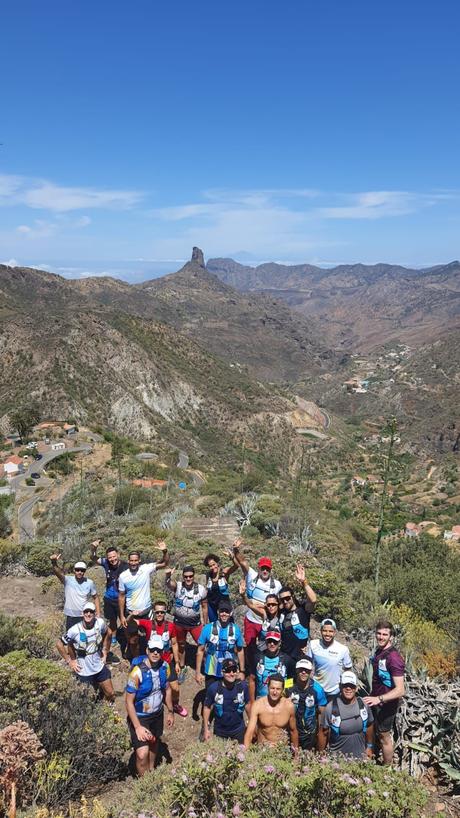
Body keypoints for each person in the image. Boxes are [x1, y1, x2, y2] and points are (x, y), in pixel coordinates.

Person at [126, 600, 188, 717]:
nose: (160, 614)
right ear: (153, 612)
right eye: (157, 612)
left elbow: (174, 644)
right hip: (151, 661)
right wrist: (131, 614)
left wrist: (177, 663)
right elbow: (130, 623)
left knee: (175, 688)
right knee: (148, 686)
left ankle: (174, 704)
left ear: (165, 613)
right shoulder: (148, 623)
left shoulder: (170, 626)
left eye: (162, 612)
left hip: (166, 662)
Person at [125, 633, 175, 776]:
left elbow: (167, 689)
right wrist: (137, 727)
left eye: (158, 650)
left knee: (154, 742)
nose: (155, 653)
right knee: (142, 754)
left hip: (157, 714)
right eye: (152, 649)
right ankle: (144, 783)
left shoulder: (165, 667)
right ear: (147, 650)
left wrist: (170, 711)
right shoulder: (137, 672)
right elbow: (128, 701)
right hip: (140, 717)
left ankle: (151, 772)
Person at [363, 619, 405, 765]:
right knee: (374, 731)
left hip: (386, 703)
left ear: (391, 637)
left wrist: (379, 699)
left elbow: (400, 690)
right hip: (376, 699)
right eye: (378, 633)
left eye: (384, 634)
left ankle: (388, 769)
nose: (381, 637)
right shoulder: (380, 652)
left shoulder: (393, 658)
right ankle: (372, 758)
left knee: (384, 736)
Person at [56, 601, 114, 702]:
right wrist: (70, 661)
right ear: (82, 614)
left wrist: (105, 651)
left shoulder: (100, 623)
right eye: (86, 612)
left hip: (98, 665)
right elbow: (59, 644)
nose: (88, 614)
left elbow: (108, 633)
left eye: (91, 612)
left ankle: (108, 709)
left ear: (95, 613)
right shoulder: (74, 630)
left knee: (110, 693)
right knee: (88, 699)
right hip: (84, 670)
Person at [232, 540, 282, 658]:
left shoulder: (277, 585)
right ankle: (251, 670)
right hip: (251, 619)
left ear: (270, 570)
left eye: (267, 569)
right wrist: (236, 550)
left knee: (266, 647)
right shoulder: (252, 576)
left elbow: (280, 604)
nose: (265, 571)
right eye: (263, 568)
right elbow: (243, 561)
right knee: (250, 646)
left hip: (267, 622)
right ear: (258, 568)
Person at [166, 565, 207, 682]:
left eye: (190, 576)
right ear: (183, 577)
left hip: (195, 623)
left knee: (202, 644)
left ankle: (206, 668)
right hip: (179, 622)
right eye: (186, 577)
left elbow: (204, 606)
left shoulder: (201, 589)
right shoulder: (178, 586)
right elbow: (169, 584)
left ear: (194, 576)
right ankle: (182, 666)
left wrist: (206, 623)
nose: (188, 579)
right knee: (181, 645)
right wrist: (168, 575)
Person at [320, 671, 374, 759]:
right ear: (340, 687)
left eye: (352, 686)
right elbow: (323, 733)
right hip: (337, 760)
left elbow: (369, 725)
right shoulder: (330, 708)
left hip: (361, 758)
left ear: (356, 688)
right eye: (345, 685)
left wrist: (369, 746)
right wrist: (321, 755)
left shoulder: (363, 705)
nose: (348, 688)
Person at [244, 674, 299, 752]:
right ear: (268, 688)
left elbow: (293, 731)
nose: (275, 692)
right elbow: (249, 732)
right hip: (263, 750)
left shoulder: (289, 706)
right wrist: (245, 753)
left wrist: (296, 755)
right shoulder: (258, 705)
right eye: (272, 688)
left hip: (282, 751)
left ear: (282, 689)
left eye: (278, 689)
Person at [195, 599, 245, 687]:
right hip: (211, 670)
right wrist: (198, 672)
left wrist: (242, 671)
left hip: (230, 671)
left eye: (227, 611)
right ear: (218, 612)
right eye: (222, 611)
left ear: (231, 613)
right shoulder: (208, 628)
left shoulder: (236, 629)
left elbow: (240, 651)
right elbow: (200, 650)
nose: (224, 614)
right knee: (211, 695)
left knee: (228, 697)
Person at [118, 544, 169, 627]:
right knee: (132, 639)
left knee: (149, 636)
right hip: (131, 612)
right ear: (128, 561)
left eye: (135, 560)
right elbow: (121, 596)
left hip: (146, 611)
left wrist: (165, 551)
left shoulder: (145, 569)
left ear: (139, 560)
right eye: (131, 560)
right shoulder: (123, 576)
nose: (133, 563)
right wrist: (122, 615)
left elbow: (164, 563)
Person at [202, 657, 250, 744]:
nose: (231, 673)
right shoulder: (214, 688)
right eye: (228, 670)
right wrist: (206, 729)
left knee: (241, 755)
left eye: (234, 670)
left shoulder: (243, 686)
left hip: (239, 730)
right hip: (220, 731)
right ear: (222, 672)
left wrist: (251, 725)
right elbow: (207, 708)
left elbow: (247, 705)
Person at [50, 554, 100, 629]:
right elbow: (57, 572)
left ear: (85, 571)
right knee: (71, 638)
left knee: (84, 638)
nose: (80, 572)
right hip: (71, 616)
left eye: (82, 570)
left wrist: (98, 613)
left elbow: (96, 597)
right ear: (74, 570)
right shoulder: (68, 580)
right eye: (77, 570)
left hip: (84, 615)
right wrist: (54, 562)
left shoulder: (89, 583)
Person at [307, 618, 353, 700]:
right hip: (317, 688)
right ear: (321, 631)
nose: (327, 634)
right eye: (325, 630)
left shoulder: (343, 649)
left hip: (334, 691)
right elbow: (308, 665)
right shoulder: (313, 644)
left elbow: (348, 670)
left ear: (335, 632)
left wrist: (344, 687)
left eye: (331, 631)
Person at [287, 658, 327, 750]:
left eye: (306, 670)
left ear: (310, 671)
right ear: (296, 670)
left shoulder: (318, 689)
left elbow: (322, 712)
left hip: (309, 732)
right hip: (291, 730)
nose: (303, 672)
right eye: (301, 669)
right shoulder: (287, 684)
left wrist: (319, 731)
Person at [278, 564, 316, 661]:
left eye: (287, 598)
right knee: (287, 677)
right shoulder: (281, 612)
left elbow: (313, 600)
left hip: (300, 657)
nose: (285, 601)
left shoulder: (303, 610)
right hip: (284, 657)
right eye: (282, 600)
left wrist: (304, 582)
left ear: (293, 597)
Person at [90, 540, 128, 636]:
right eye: (110, 557)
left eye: (114, 556)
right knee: (112, 619)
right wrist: (93, 549)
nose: (112, 559)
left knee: (125, 619)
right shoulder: (106, 563)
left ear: (118, 555)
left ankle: (127, 637)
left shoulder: (125, 566)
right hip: (109, 598)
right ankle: (114, 637)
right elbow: (93, 558)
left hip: (122, 598)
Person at [249, 630, 294, 702]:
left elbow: (291, 680)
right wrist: (252, 701)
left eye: (275, 641)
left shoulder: (287, 659)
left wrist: (287, 694)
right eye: (269, 641)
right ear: (266, 642)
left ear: (279, 643)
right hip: (261, 700)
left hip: (280, 700)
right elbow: (252, 680)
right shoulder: (257, 657)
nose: (272, 644)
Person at [239, 579, 280, 652]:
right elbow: (250, 605)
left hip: (277, 652)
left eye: (273, 604)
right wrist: (243, 595)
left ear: (278, 604)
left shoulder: (282, 616)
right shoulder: (264, 614)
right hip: (262, 652)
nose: (271, 606)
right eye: (269, 605)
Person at [203, 552, 237, 622]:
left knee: (228, 624)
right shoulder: (208, 575)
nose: (212, 567)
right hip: (212, 605)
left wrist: (232, 557)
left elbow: (236, 565)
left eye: (214, 564)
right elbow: (207, 589)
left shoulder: (224, 572)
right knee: (214, 626)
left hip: (224, 604)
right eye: (210, 566)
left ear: (217, 563)